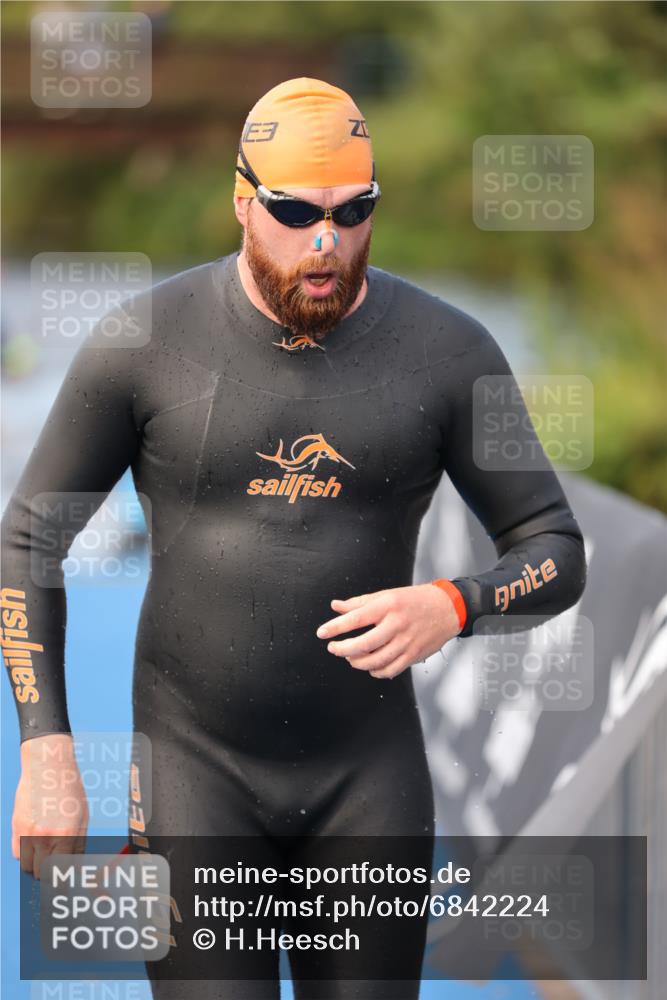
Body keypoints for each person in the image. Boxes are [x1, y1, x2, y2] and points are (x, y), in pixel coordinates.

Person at [1, 78, 586, 999]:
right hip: (192, 773)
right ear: (242, 201)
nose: (325, 242)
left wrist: (454, 603)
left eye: (353, 213)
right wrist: (46, 750)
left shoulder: (450, 353)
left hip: (368, 782)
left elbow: (554, 547)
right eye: (293, 211)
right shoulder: (143, 343)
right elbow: (29, 538)